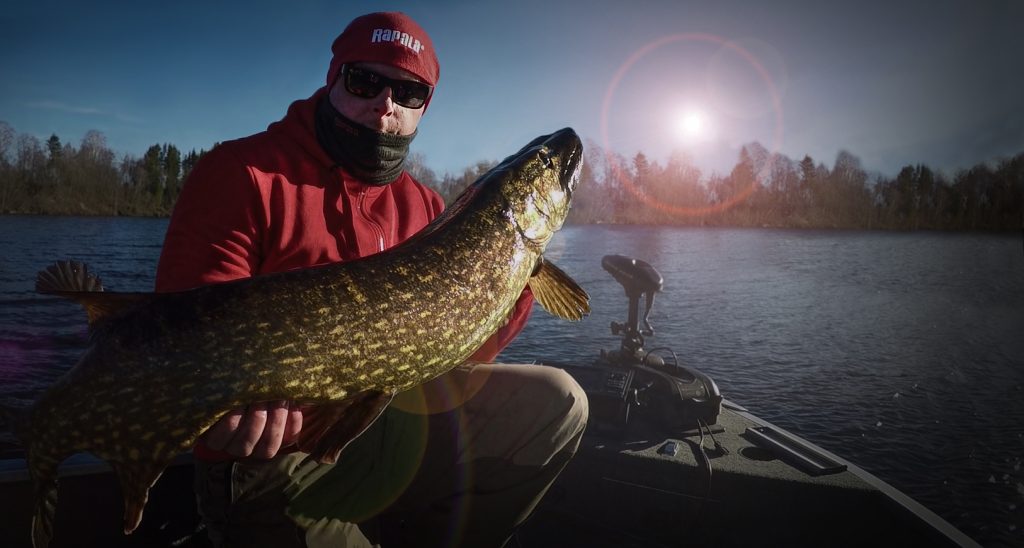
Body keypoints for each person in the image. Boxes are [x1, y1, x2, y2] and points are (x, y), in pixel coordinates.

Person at [154, 11, 588, 548]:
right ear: (333, 79)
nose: (385, 104)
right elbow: (181, 332)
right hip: (273, 456)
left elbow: (461, 352)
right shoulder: (242, 173)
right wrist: (217, 407)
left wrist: (516, 271)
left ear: (421, 108)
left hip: (390, 422)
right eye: (366, 81)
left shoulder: (429, 208)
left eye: (407, 92)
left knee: (558, 400)